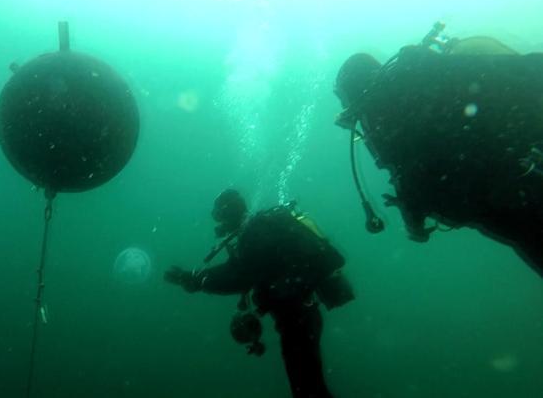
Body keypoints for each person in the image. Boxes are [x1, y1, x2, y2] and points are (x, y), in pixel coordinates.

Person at [333, 22, 543, 276]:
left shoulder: (381, 111)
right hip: (521, 166)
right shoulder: (416, 78)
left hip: (505, 199)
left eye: (342, 96)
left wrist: (413, 220)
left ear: (352, 88)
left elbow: (412, 177)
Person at [165, 189, 354, 398]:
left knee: (307, 390)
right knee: (309, 387)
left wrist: (197, 280)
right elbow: (238, 269)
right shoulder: (256, 232)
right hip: (300, 316)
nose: (221, 226)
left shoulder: (254, 233)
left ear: (229, 213)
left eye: (221, 217)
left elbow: (239, 276)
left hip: (297, 318)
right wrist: (196, 277)